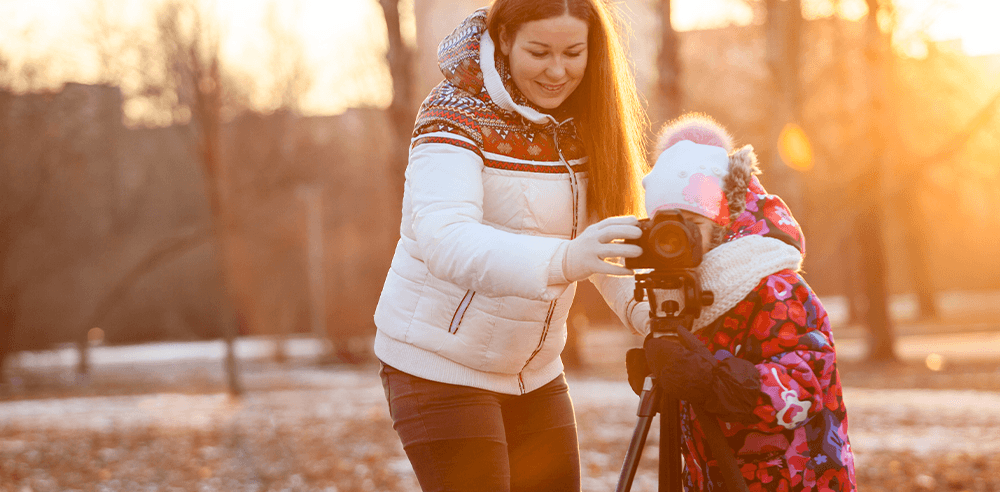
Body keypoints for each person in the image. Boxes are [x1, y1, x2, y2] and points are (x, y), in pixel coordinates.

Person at [373, 1, 653, 490]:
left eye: (574, 52)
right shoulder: (453, 113)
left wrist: (648, 317)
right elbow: (447, 240)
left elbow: (600, 245)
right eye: (539, 52)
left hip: (536, 373)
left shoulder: (587, 121)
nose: (558, 71)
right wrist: (565, 259)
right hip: (440, 369)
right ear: (504, 40)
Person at [637, 114, 857, 491]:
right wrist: (665, 371)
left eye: (693, 223)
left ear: (722, 219)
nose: (682, 241)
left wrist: (710, 380)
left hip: (793, 479)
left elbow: (801, 389)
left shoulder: (776, 285)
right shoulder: (698, 286)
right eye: (669, 227)